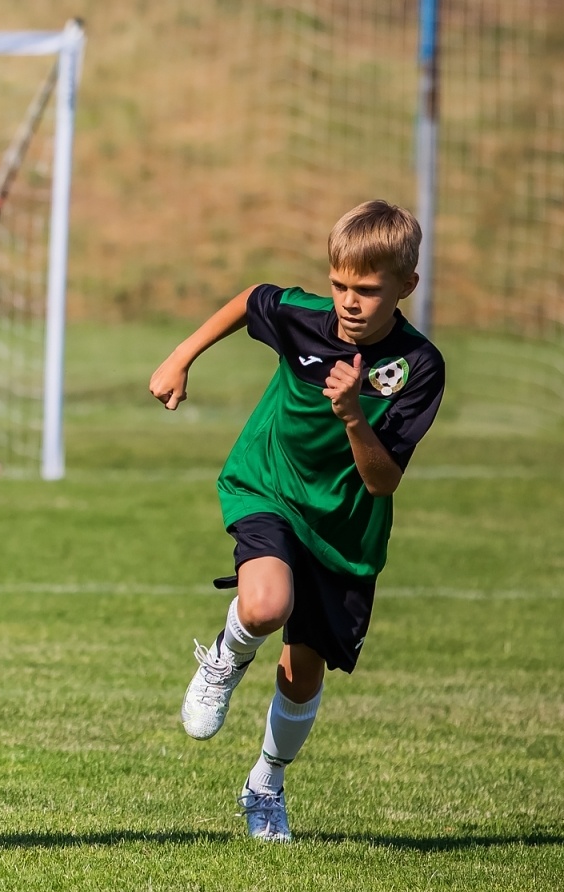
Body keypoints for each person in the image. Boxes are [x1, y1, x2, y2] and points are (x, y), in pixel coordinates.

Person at [147, 200, 446, 843]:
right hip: (269, 483)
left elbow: (383, 479)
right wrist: (181, 356)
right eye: (340, 284)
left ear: (406, 287)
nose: (349, 302)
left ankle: (265, 785)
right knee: (264, 606)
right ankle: (224, 660)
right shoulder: (307, 318)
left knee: (303, 671)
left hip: (344, 527)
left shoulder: (418, 367)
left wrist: (353, 415)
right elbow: (253, 298)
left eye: (367, 290)